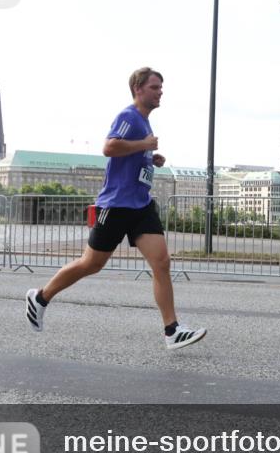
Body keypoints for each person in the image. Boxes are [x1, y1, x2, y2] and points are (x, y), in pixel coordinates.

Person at [25, 67, 207, 350]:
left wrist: (150, 157)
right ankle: (41, 297)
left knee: (162, 262)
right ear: (138, 89)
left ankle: (172, 330)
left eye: (161, 87)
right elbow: (109, 148)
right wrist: (143, 145)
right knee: (91, 264)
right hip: (117, 205)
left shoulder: (144, 124)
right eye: (155, 87)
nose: (160, 92)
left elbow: (130, 154)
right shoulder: (129, 116)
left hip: (141, 205)